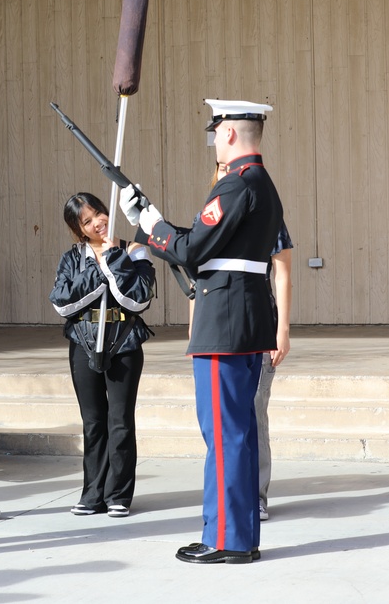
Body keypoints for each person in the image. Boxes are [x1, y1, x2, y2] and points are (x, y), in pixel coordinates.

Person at [120, 99, 283, 564]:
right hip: (246, 316)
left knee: (224, 433)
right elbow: (203, 244)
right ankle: (235, 533)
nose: (213, 142)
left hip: (224, 321)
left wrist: (149, 224)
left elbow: (191, 250)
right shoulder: (262, 184)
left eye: (216, 133)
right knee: (239, 432)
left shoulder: (234, 185)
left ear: (229, 133)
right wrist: (152, 220)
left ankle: (227, 540)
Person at [50, 192, 156, 517]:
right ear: (79, 229)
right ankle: (92, 493)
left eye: (99, 213)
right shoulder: (72, 258)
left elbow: (138, 300)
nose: (98, 222)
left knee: (120, 420)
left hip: (124, 342)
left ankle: (119, 494)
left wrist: (114, 261)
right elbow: (61, 302)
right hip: (83, 342)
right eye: (87, 220)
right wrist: (99, 272)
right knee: (93, 422)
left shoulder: (134, 250)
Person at [255, 226, 293, 521]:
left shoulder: (269, 219)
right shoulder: (210, 213)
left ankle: (256, 496)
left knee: (254, 412)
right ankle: (229, 493)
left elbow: (281, 275)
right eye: (221, 173)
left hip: (260, 325)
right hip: (221, 327)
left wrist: (282, 330)